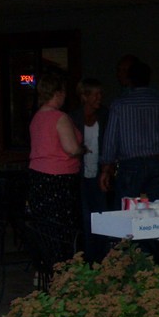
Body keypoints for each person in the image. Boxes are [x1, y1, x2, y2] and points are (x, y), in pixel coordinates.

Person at [99, 56, 159, 204]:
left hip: (130, 164)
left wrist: (106, 169)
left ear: (130, 79)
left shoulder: (119, 105)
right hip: (158, 163)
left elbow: (110, 140)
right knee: (158, 211)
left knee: (127, 211)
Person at [27, 69, 84, 234]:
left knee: (45, 224)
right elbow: (71, 149)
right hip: (59, 178)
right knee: (62, 225)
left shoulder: (37, 117)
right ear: (58, 93)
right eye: (64, 92)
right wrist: (83, 150)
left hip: (38, 175)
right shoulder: (60, 117)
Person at [69, 77, 111, 262]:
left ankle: (103, 258)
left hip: (100, 173)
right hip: (80, 174)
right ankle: (88, 259)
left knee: (102, 215)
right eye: (95, 94)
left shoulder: (105, 115)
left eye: (100, 94)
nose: (99, 98)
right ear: (84, 96)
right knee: (85, 218)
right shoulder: (73, 118)